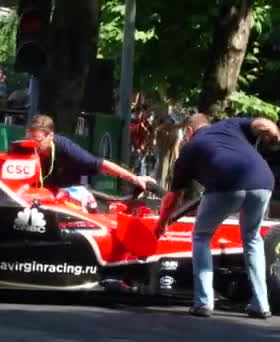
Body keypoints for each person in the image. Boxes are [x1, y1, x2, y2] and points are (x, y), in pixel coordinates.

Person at [153, 113, 279, 319]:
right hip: (263, 181)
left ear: (189, 132)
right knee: (252, 239)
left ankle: (203, 302)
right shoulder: (231, 124)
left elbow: (173, 197)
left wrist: (162, 223)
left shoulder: (189, 150)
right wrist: (275, 136)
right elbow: (263, 124)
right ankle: (261, 304)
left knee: (202, 237)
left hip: (226, 185)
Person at [25, 114, 156, 208]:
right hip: (33, 198)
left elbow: (99, 164)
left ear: (50, 136)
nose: (33, 145)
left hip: (66, 197)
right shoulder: (23, 148)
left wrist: (134, 178)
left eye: (37, 141)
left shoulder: (65, 147)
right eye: (30, 139)